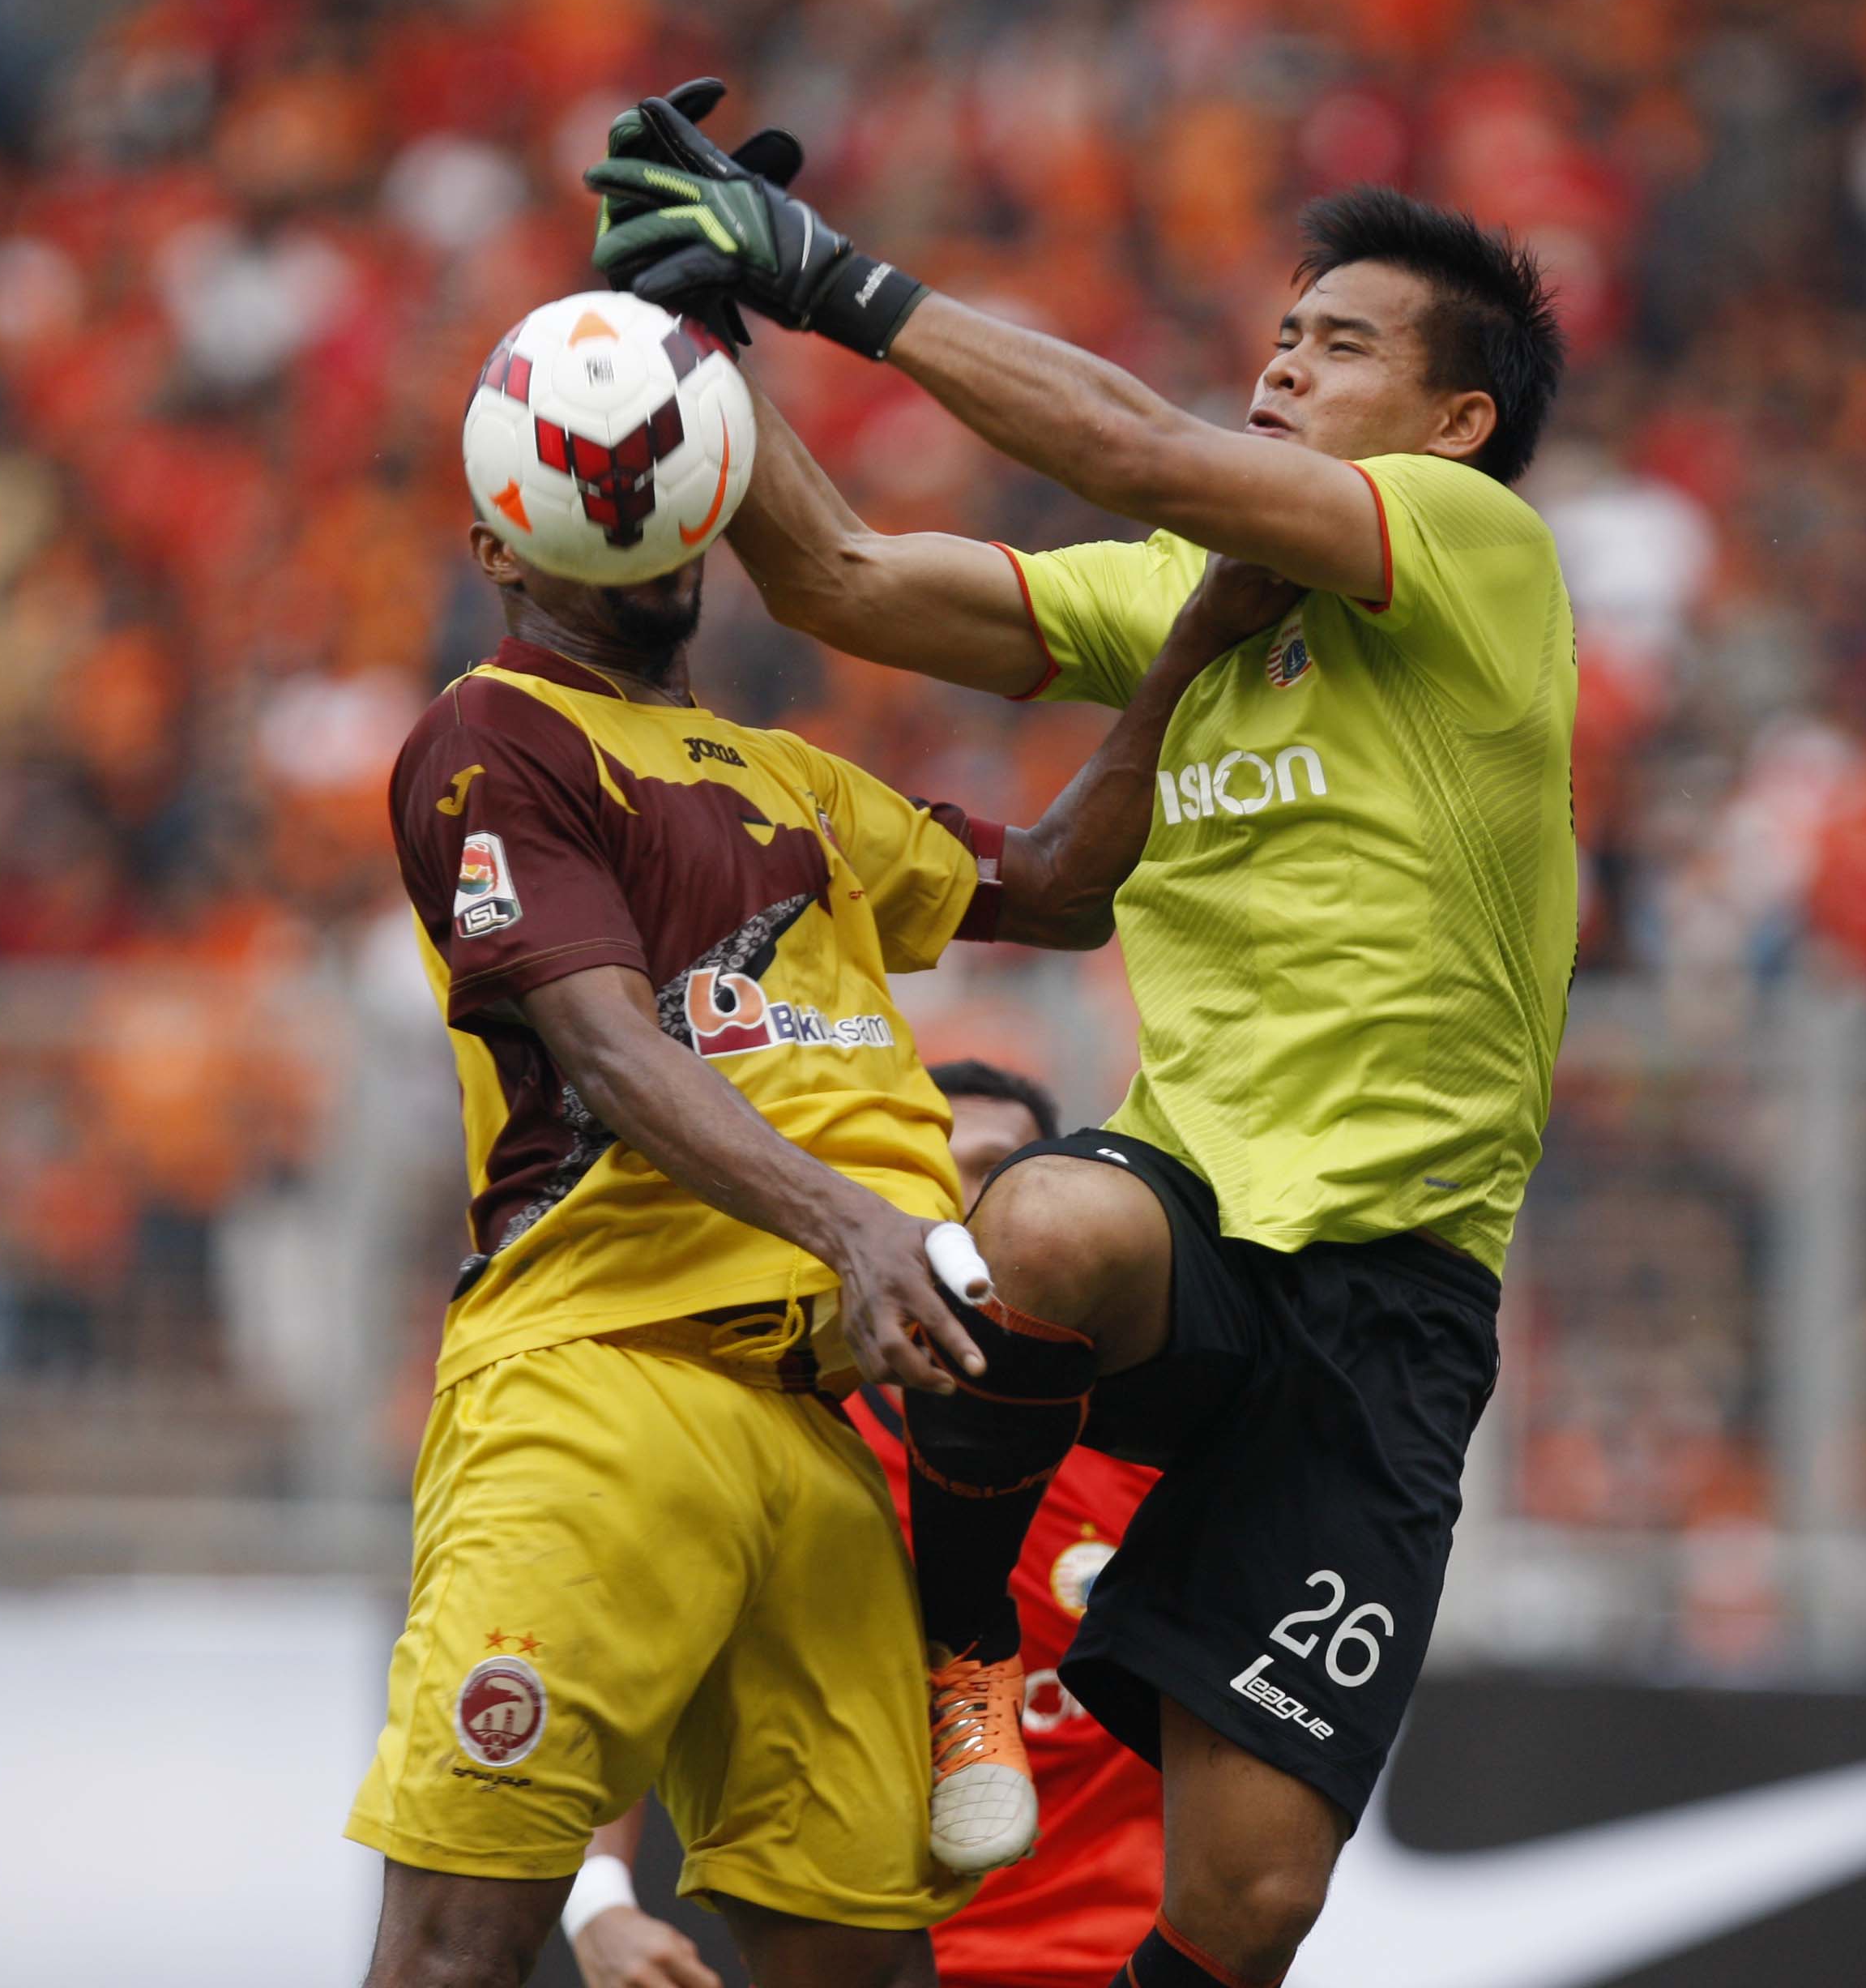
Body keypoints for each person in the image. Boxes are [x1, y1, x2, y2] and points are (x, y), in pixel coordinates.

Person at [591, 91, 1578, 1988]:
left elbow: (1136, 445)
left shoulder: (1477, 554)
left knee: (1247, 1906)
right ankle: (968, 1642)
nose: (1282, 366)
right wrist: (691, 346)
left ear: (1456, 425)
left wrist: (830, 280)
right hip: (1189, 1230)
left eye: (1340, 345)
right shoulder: (1182, 604)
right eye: (1280, 335)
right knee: (1040, 1220)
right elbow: (837, 577)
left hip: (1390, 1305)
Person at [347, 292, 1291, 1988]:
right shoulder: (490, 738)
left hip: (827, 1424)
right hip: (605, 1378)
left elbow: (1058, 884)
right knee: (453, 1947)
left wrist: (1197, 642)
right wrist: (856, 1225)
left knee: (856, 1958)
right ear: (495, 545)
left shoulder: (794, 780)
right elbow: (605, 1045)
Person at [559, 1060, 1168, 1988]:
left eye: (994, 1171)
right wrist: (598, 1901)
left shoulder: (1145, 1455)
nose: (954, 1208)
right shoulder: (788, 1438)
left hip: (1120, 1959)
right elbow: (631, 1666)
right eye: (923, 1173)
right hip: (883, 1958)